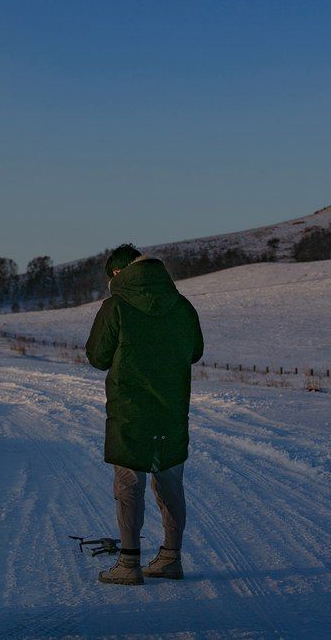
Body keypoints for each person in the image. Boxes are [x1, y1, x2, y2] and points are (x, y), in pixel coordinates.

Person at [86, 244, 204, 585]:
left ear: (118, 274)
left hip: (129, 411)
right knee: (170, 484)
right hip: (171, 410)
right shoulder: (182, 306)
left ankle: (129, 564)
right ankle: (170, 558)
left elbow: (97, 357)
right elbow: (195, 352)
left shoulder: (116, 307)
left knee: (129, 485)